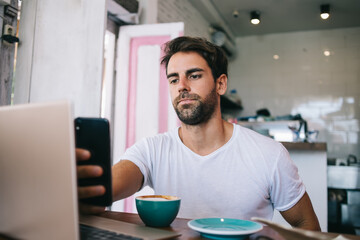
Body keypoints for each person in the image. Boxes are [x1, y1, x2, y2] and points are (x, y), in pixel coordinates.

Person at [76, 36, 321, 231]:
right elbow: (110, 185)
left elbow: (306, 225)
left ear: (220, 84)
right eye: (174, 79)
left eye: (193, 75)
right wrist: (88, 187)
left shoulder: (269, 154)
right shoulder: (152, 149)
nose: (181, 86)